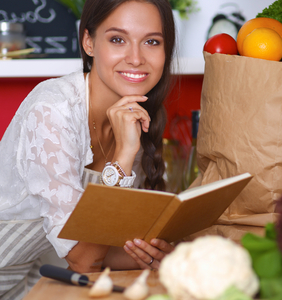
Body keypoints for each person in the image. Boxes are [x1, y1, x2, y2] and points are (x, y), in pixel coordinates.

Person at [0, 0, 176, 298]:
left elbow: (96, 252)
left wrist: (159, 257)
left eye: (151, 41)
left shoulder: (133, 116)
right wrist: (123, 156)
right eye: (118, 39)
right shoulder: (52, 109)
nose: (136, 58)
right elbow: (83, 260)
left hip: (38, 274)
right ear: (89, 43)